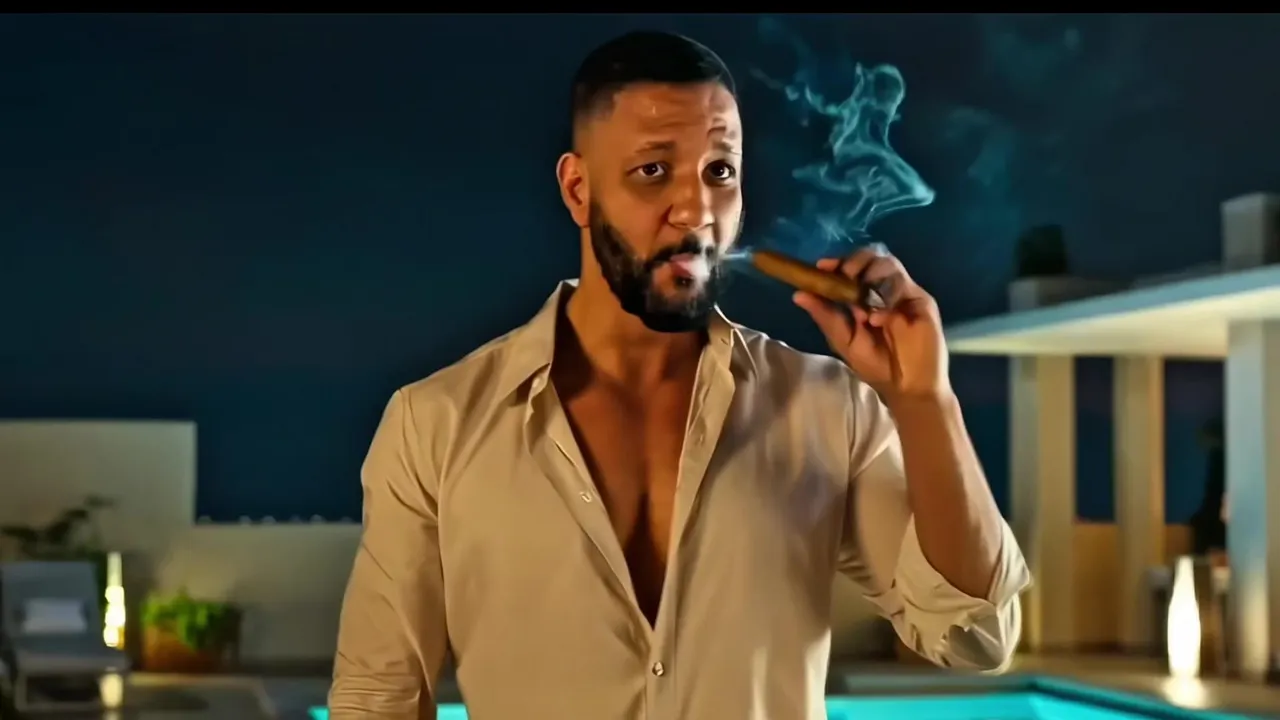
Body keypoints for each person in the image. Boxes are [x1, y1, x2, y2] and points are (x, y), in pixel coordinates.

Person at [329, 30, 1030, 720]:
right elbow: (377, 701)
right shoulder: (434, 424)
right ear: (578, 189)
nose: (695, 210)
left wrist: (925, 399)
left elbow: (974, 635)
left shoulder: (828, 409)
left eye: (719, 171)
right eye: (653, 171)